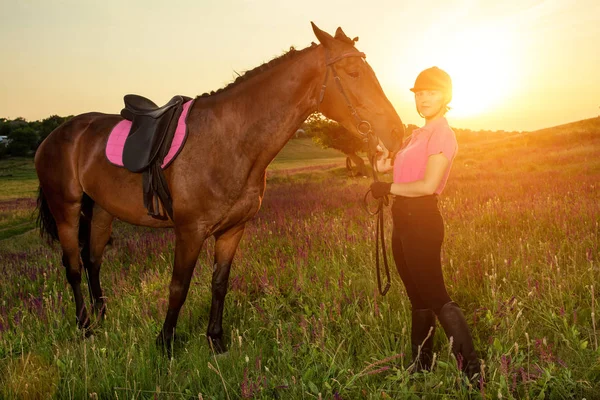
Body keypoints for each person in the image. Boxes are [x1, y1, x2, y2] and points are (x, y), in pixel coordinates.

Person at [370, 67, 480, 379]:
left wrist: (387, 188)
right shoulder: (415, 135)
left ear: (445, 96)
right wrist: (381, 162)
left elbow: (429, 184)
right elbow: (392, 169)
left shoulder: (443, 134)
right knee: (417, 298)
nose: (423, 98)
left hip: (422, 221)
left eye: (431, 92)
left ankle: (473, 373)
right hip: (402, 220)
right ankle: (422, 366)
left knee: (435, 295)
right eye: (419, 93)